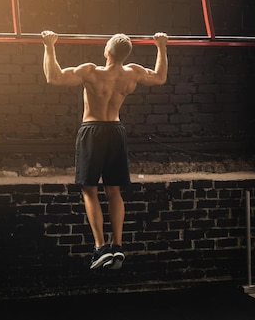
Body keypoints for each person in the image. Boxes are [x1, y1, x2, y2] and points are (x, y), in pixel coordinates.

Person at [41, 30, 168, 270]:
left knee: (89, 190)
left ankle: (100, 248)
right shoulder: (133, 73)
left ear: (106, 52)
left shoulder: (91, 71)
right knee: (113, 191)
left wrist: (49, 45)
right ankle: (117, 246)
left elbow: (54, 77)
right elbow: (160, 77)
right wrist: (161, 47)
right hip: (116, 131)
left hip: (92, 130)